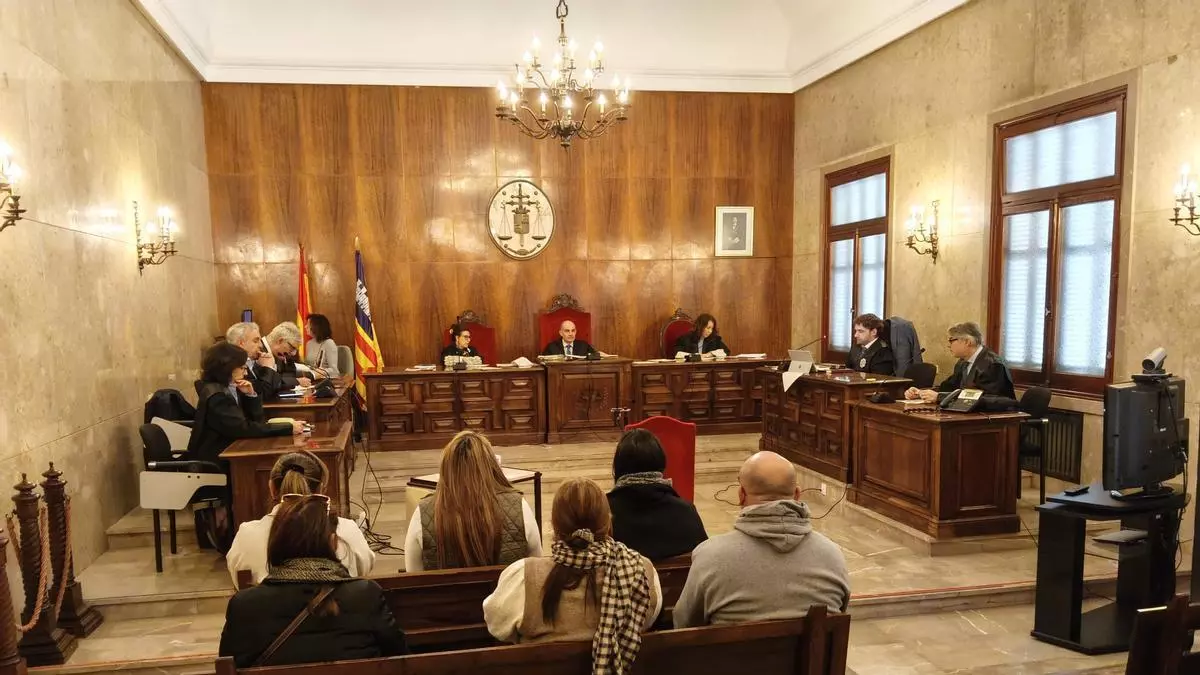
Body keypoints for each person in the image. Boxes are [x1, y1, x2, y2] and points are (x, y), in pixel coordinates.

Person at [483, 478, 661, 673]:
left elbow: (496, 624)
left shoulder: (523, 577)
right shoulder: (641, 572)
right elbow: (648, 620)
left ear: (554, 525)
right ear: (607, 522)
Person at [218, 495, 408, 667]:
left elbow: (228, 666)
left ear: (275, 543)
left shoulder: (244, 606)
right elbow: (401, 659)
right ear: (333, 542)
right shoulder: (364, 595)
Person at [673, 451, 849, 628]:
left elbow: (684, 624)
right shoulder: (832, 556)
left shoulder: (710, 556)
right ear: (797, 494)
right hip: (812, 647)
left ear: (741, 494)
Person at [226, 451, 375, 587]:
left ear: (271, 488)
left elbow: (240, 585)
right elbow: (362, 573)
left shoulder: (247, 535)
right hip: (335, 607)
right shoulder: (347, 531)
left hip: (264, 608)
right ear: (321, 489)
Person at [403, 431, 542, 572]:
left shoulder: (423, 512)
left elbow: (413, 573)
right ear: (491, 466)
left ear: (446, 468)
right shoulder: (519, 506)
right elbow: (536, 566)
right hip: (506, 587)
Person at [187, 342, 303, 468]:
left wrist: (250, 395)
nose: (246, 373)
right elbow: (243, 428)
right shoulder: (217, 396)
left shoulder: (231, 386)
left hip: (232, 449)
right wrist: (286, 428)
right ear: (228, 368)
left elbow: (256, 421)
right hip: (216, 461)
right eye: (242, 368)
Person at [606, 429, 707, 561]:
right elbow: (703, 560)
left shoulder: (602, 515)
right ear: (661, 465)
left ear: (618, 467)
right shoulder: (686, 512)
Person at [904, 322, 1015, 403]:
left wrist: (939, 397)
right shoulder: (963, 362)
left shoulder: (992, 364)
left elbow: (989, 399)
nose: (948, 345)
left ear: (967, 342)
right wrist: (921, 393)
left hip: (994, 421)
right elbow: (949, 388)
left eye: (951, 340)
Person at [226, 322, 285, 400]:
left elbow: (276, 387)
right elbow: (263, 394)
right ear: (241, 343)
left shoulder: (254, 362)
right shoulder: (234, 367)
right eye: (256, 341)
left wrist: (270, 367)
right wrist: (268, 368)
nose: (261, 345)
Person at [264, 322, 313, 389]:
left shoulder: (278, 353)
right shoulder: (258, 351)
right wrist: (296, 381)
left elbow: (287, 375)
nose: (293, 353)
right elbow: (268, 384)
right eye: (292, 347)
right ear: (280, 341)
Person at [305, 314, 341, 379]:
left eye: (308, 324)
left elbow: (334, 371)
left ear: (317, 327)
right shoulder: (309, 343)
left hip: (326, 380)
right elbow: (308, 365)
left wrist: (320, 372)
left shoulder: (329, 343)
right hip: (312, 379)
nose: (305, 327)